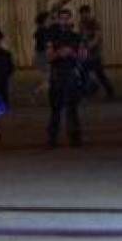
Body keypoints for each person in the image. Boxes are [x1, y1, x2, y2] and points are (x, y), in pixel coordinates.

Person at [41, 8, 85, 148]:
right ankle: (52, 138)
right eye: (62, 18)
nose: (65, 21)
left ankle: (75, 138)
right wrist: (59, 53)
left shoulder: (76, 37)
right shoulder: (52, 37)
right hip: (57, 74)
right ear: (58, 20)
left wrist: (72, 53)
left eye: (67, 18)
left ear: (71, 19)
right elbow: (48, 57)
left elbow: (83, 56)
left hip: (71, 74)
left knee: (72, 108)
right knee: (55, 109)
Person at [77, 5, 115, 100]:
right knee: (83, 72)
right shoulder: (81, 23)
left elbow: (97, 37)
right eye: (82, 14)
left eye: (85, 13)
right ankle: (88, 90)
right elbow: (81, 37)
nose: (84, 16)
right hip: (86, 54)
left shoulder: (94, 23)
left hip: (95, 54)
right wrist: (81, 48)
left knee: (99, 73)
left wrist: (90, 46)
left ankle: (109, 90)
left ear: (88, 13)